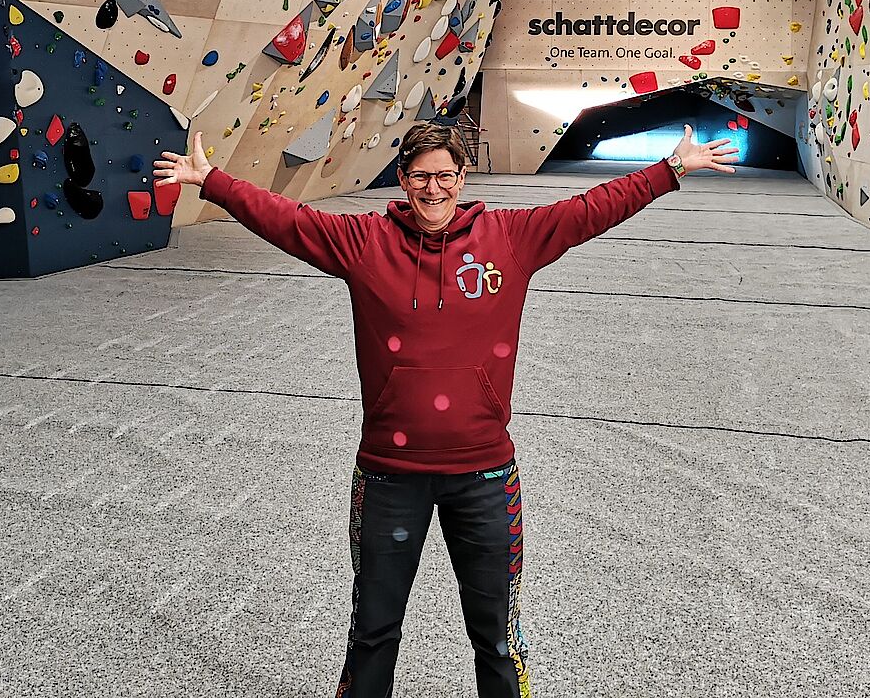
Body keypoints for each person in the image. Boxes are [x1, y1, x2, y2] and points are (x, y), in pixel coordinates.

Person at [154, 121, 739, 697]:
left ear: (463, 175)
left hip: (485, 477)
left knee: (499, 639)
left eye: (444, 175)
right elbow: (289, 221)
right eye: (418, 176)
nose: (432, 189)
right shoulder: (364, 243)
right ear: (402, 179)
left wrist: (670, 169)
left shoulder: (511, 238)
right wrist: (214, 182)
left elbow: (591, 208)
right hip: (388, 477)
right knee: (373, 633)